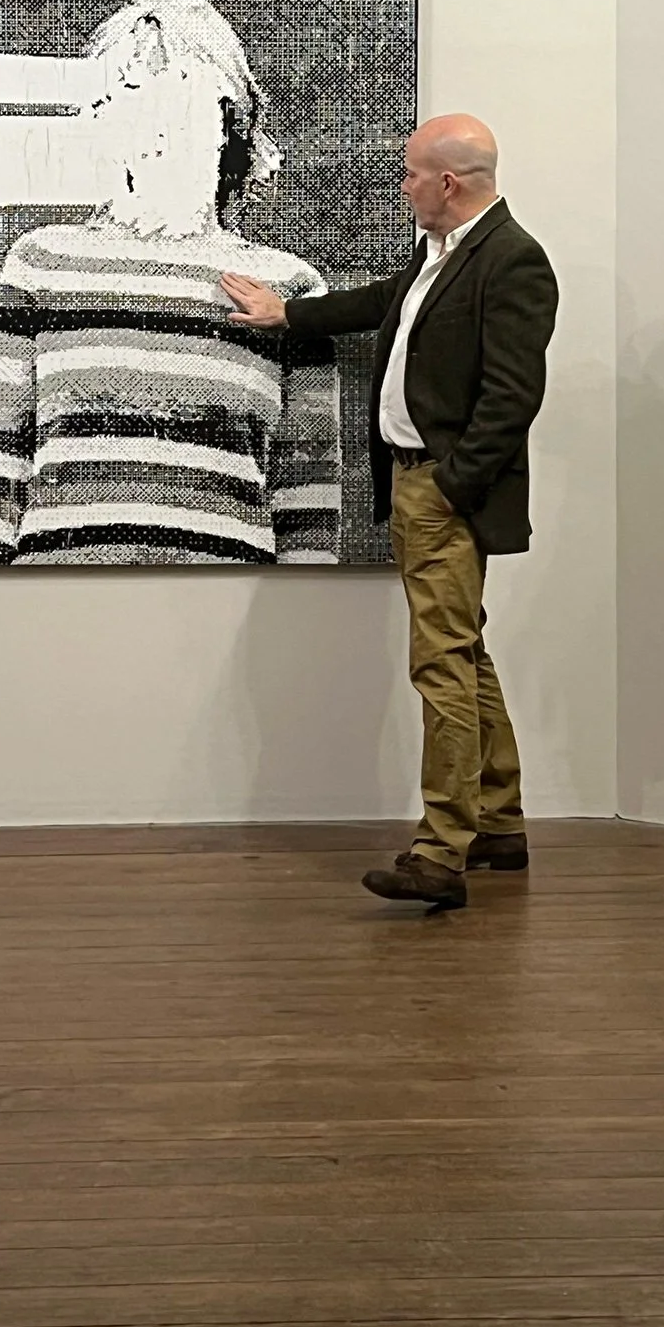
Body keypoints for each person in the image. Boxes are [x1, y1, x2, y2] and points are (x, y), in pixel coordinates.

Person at [223, 115, 558, 910]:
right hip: (418, 484)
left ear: (448, 182)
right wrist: (290, 314)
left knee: (438, 663)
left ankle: (442, 850)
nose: (402, 186)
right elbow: (387, 303)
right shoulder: (441, 253)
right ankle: (499, 822)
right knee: (461, 650)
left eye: (410, 174)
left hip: (442, 490)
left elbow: (514, 396)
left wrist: (451, 484)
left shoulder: (513, 260)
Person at [0, 0, 341, 565]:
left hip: (225, 618)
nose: (139, 103)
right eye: (121, 86)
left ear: (227, 113)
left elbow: (308, 502)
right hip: (54, 607)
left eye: (167, 80)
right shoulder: (42, 264)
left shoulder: (288, 288)